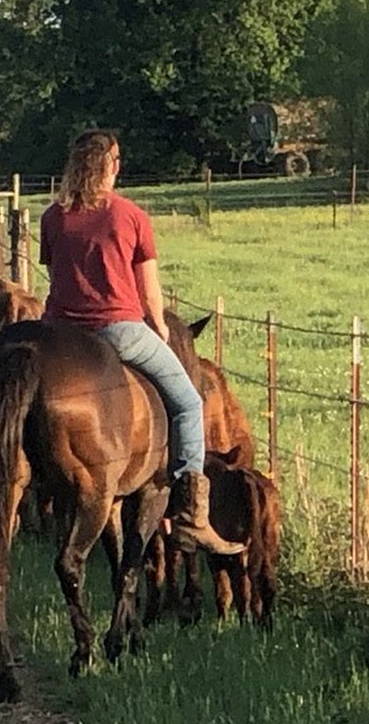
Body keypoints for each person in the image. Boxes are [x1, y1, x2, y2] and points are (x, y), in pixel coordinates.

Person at [38, 129, 243, 556]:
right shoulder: (130, 216)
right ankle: (192, 515)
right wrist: (161, 329)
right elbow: (150, 293)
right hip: (116, 329)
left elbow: (55, 276)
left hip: (59, 335)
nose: (120, 166)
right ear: (110, 166)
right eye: (117, 160)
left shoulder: (53, 217)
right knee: (188, 402)